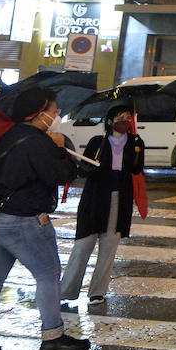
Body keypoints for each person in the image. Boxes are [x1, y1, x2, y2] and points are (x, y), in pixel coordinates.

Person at [0, 87, 92, 350]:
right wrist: (61, 148)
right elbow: (59, 173)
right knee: (48, 275)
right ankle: (52, 338)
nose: (57, 115)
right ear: (39, 113)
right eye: (54, 111)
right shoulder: (37, 141)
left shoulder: (2, 135)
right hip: (24, 220)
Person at [60, 103, 146, 307]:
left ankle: (98, 291)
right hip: (95, 197)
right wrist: (87, 167)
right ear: (110, 121)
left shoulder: (135, 142)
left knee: (109, 246)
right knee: (83, 245)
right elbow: (86, 168)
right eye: (120, 118)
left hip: (119, 197)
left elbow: (136, 169)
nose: (124, 122)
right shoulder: (98, 142)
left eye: (127, 118)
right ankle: (67, 290)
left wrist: (137, 149)